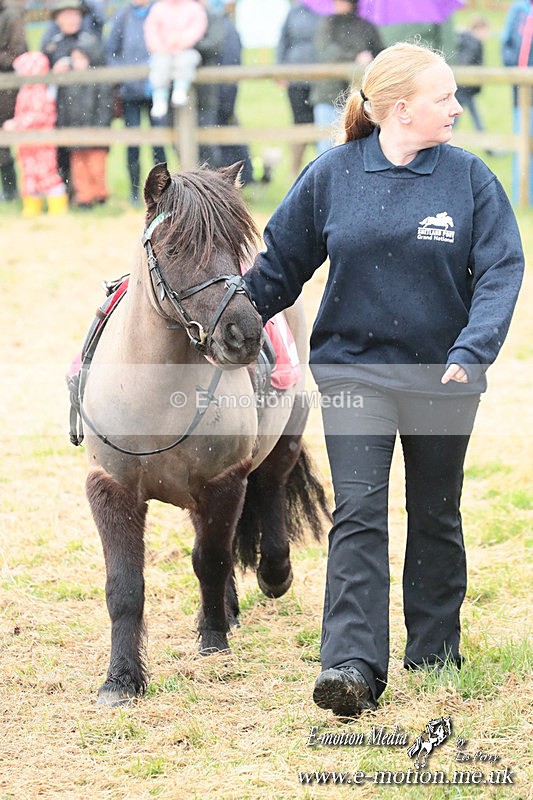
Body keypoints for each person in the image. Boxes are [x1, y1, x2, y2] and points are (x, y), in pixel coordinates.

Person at [242, 42, 524, 717]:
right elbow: (278, 267)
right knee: (360, 514)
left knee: (434, 511)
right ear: (401, 109)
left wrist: (473, 347)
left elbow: (500, 270)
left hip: (443, 375)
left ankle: (433, 649)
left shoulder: (469, 178)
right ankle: (350, 664)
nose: (456, 106)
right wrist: (226, 316)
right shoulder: (333, 175)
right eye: (442, 97)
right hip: (353, 373)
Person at [105, 0, 168, 205]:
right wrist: (124, 74)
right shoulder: (123, 15)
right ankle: (135, 192)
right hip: (130, 91)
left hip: (156, 89)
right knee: (133, 143)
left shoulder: (160, 11)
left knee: (158, 142)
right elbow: (111, 49)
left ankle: (164, 192)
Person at [41, 0, 104, 195]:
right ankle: (66, 192)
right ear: (58, 19)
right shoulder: (52, 45)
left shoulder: (90, 43)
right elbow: (40, 76)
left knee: (91, 155)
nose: (71, 19)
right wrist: (54, 72)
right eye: (66, 15)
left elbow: (102, 78)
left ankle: (92, 194)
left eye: (75, 14)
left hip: (86, 108)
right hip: (60, 110)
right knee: (62, 153)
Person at [310, 0, 383, 154]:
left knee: (357, 145)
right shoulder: (327, 25)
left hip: (359, 95)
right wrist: (355, 58)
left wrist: (369, 59)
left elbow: (380, 52)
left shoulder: (365, 26)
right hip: (329, 93)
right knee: (326, 147)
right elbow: (327, 52)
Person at [3, 51, 67, 216]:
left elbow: (38, 115)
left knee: (47, 174)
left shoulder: (39, 91)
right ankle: (31, 208)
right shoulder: (26, 91)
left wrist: (16, 124)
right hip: (27, 145)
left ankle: (58, 208)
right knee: (30, 176)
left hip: (41, 143)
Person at [55, 41, 113, 208]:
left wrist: (100, 129)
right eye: (74, 58)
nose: (77, 62)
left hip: (95, 135)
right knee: (79, 169)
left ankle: (100, 195)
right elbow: (63, 107)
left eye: (81, 58)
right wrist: (64, 129)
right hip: (74, 135)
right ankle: (84, 198)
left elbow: (105, 107)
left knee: (96, 167)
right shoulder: (68, 82)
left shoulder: (99, 81)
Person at [276, 1, 320, 178]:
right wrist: (279, 70)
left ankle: (321, 169)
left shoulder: (327, 10)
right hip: (296, 77)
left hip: (321, 78)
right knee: (299, 122)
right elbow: (283, 40)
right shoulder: (293, 12)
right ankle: (295, 171)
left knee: (323, 124)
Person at [143, 0, 208, 119]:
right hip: (162, 51)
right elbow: (151, 30)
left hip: (185, 49)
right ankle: (159, 97)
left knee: (186, 61)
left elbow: (197, 28)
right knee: (159, 65)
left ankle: (180, 89)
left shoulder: (193, 8)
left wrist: (181, 40)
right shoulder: (159, 8)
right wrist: (160, 46)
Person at [502, 0, 533, 204]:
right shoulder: (518, 9)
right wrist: (513, 70)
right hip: (520, 87)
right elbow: (507, 43)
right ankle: (522, 198)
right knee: (522, 139)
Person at [0, 0, 27, 202]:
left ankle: (11, 191)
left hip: (7, 88)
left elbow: (17, 52)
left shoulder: (11, 15)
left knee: (5, 140)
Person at [454, 17, 490, 133]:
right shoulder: (473, 43)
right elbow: (465, 63)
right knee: (472, 116)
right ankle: (487, 146)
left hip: (463, 87)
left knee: (456, 117)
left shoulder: (467, 41)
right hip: (465, 87)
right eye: (486, 31)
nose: (487, 35)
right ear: (479, 29)